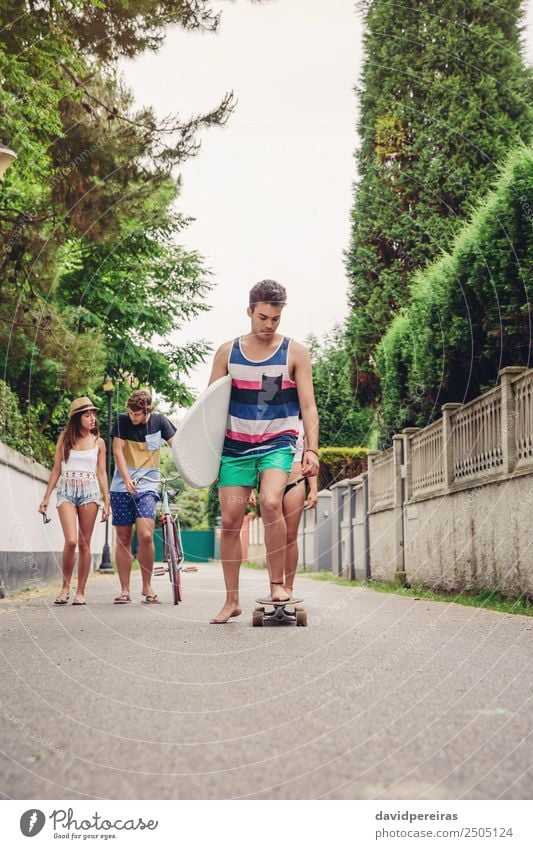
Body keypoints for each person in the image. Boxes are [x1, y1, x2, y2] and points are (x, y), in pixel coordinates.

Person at [208, 279, 319, 623]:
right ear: (250, 311)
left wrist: (311, 450)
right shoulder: (228, 353)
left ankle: (276, 585)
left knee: (272, 502)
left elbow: (309, 407)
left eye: (275, 318)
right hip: (235, 447)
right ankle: (231, 601)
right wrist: (203, 457)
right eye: (263, 318)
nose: (269, 325)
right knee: (230, 522)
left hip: (277, 443)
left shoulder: (295, 352)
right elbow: (210, 407)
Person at [38, 397, 110, 605]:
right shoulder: (64, 439)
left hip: (90, 492)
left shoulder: (99, 443)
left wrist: (107, 501)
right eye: (87, 415)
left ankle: (81, 591)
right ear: (78, 418)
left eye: (93, 414)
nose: (92, 418)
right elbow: (57, 469)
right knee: (71, 541)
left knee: (84, 544)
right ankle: (64, 587)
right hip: (67, 491)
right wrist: (46, 497)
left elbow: (102, 472)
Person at [110, 389, 176, 604]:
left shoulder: (160, 422)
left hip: (148, 485)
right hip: (122, 486)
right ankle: (125, 589)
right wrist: (127, 478)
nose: (132, 417)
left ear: (148, 411)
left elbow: (178, 446)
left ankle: (147, 586)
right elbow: (118, 451)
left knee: (146, 535)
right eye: (130, 413)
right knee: (123, 537)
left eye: (137, 414)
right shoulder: (122, 421)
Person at [282, 423, 319, 598]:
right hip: (269, 481)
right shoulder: (272, 416)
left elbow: (310, 459)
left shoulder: (303, 421)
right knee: (272, 536)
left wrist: (313, 489)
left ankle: (288, 587)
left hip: (296, 480)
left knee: (290, 536)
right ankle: (275, 586)